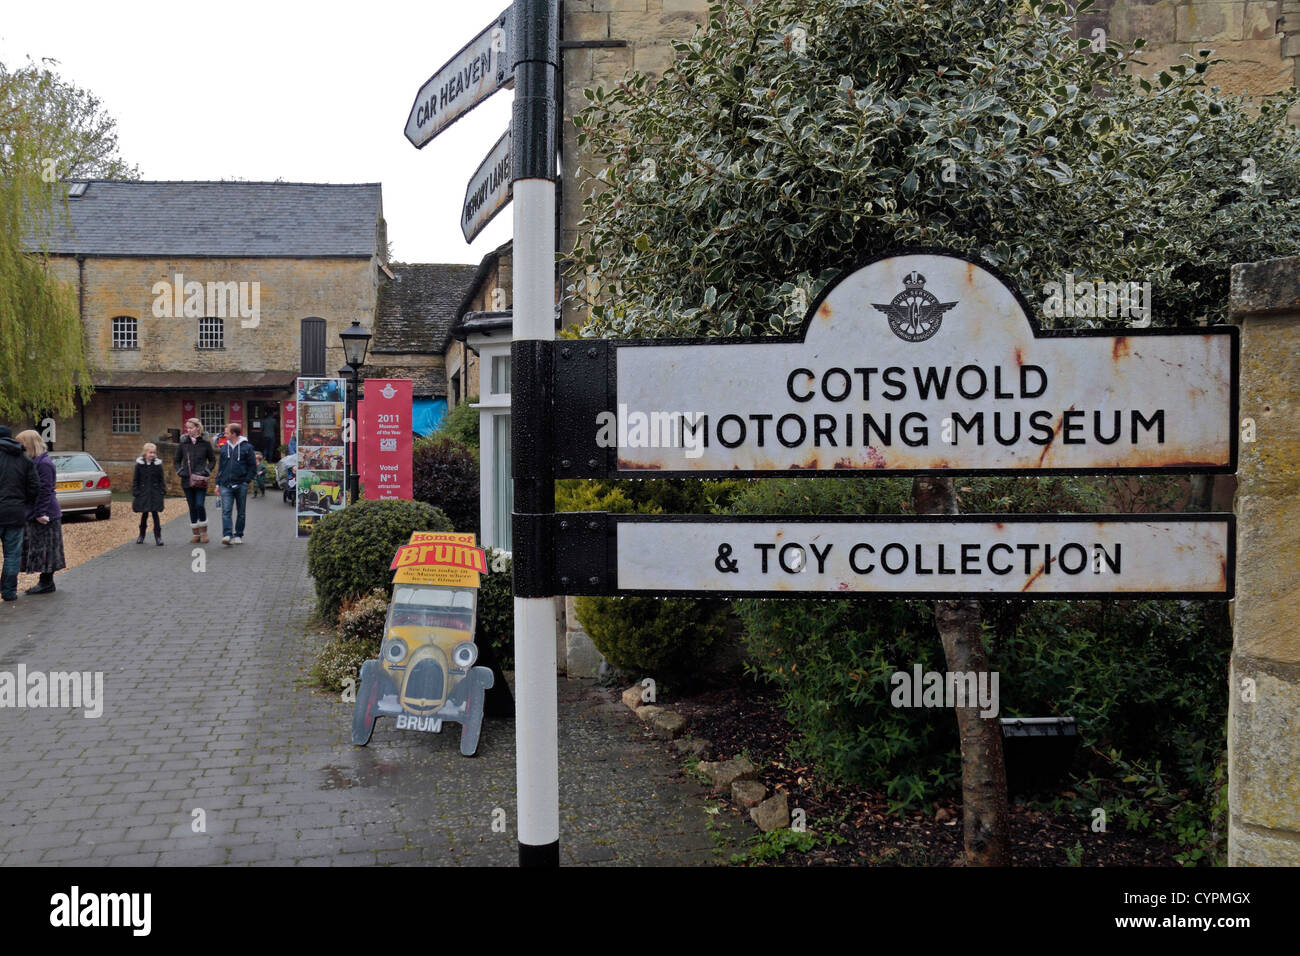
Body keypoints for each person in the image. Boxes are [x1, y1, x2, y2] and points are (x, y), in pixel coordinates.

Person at [17, 430, 65, 595]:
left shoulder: (43, 463)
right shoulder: (37, 461)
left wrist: (40, 512)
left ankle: (46, 582)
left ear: (30, 443)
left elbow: (45, 490)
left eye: (22, 443)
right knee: (43, 547)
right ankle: (46, 581)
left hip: (46, 513)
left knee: (47, 548)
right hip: (41, 511)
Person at [0, 425, 38, 602]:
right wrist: (24, 502)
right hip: (15, 512)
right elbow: (34, 487)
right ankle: (8, 592)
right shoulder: (24, 459)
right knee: (12, 554)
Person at [175, 418, 215, 543]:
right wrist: (180, 471)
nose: (189, 430)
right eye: (187, 428)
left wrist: (206, 471)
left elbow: (212, 460)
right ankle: (196, 534)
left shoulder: (205, 443)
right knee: (192, 506)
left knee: (199, 504)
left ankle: (204, 532)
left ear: (198, 427)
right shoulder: (183, 444)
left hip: (201, 480)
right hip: (187, 480)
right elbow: (176, 461)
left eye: (191, 428)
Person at [217, 422, 257, 545]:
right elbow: (221, 467)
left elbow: (252, 466)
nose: (224, 434)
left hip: (241, 484)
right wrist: (218, 483)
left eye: (227, 432)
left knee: (241, 512)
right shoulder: (224, 447)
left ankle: (238, 534)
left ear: (234, 434)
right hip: (226, 484)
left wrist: (246, 481)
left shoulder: (247, 447)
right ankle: (227, 535)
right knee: (226, 511)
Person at [132, 442, 167, 545]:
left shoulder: (157, 465)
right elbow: (136, 480)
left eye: (154, 453)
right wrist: (136, 491)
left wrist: (162, 491)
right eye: (150, 452)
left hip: (155, 493)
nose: (152, 455)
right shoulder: (139, 465)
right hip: (143, 493)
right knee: (144, 514)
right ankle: (141, 535)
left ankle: (158, 537)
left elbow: (161, 479)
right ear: (145, 453)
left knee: (155, 515)